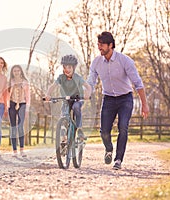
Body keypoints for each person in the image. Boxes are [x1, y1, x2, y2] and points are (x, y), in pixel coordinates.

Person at [87, 31, 149, 170]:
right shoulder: (97, 62)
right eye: (98, 44)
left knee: (123, 127)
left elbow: (138, 83)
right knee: (104, 132)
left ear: (111, 45)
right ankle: (109, 149)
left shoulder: (124, 60)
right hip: (108, 99)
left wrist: (144, 105)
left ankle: (118, 159)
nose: (99, 47)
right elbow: (91, 82)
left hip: (125, 99)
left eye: (102, 45)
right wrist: (85, 93)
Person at [45, 54, 92, 141]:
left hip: (77, 99)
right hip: (66, 99)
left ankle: (80, 130)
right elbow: (52, 86)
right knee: (64, 113)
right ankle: (63, 137)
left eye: (69, 67)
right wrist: (48, 94)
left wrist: (87, 94)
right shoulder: (61, 78)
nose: (67, 69)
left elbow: (88, 86)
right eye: (65, 67)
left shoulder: (77, 78)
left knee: (76, 107)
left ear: (73, 68)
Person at [8, 65, 30, 158]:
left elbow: (28, 96)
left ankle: (22, 150)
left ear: (21, 71)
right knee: (13, 127)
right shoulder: (10, 82)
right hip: (12, 104)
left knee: (20, 127)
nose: (16, 72)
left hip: (22, 104)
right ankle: (14, 150)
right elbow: (7, 95)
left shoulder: (25, 82)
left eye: (18, 70)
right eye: (14, 71)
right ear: (12, 73)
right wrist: (7, 105)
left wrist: (27, 108)